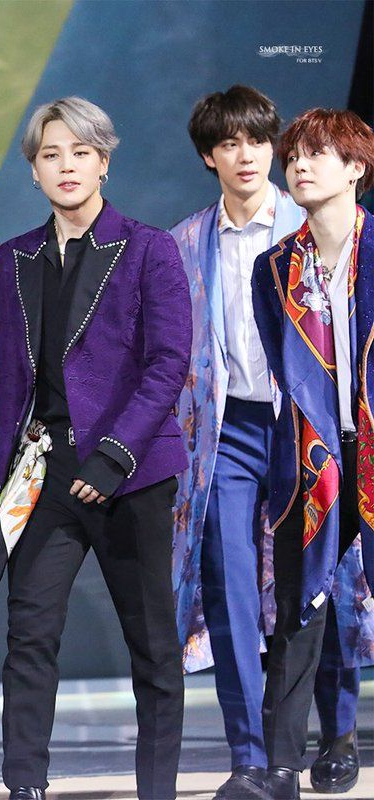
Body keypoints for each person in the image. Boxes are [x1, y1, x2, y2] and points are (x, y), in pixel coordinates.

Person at [169, 86, 372, 800]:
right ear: (209, 156)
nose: (248, 155)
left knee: (331, 583)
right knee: (233, 591)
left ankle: (337, 732)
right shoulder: (188, 242)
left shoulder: (311, 219)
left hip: (316, 430)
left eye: (259, 141)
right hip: (231, 434)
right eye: (229, 143)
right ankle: (253, 757)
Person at [0, 98, 190, 800]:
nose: (66, 166)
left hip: (130, 472)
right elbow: (7, 377)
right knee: (29, 635)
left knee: (152, 645)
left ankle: (156, 791)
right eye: (51, 155)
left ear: (104, 162)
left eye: (80, 152)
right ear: (34, 170)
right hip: (46, 472)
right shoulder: (16, 257)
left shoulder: (147, 248)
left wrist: (114, 455)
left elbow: (168, 363)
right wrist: (2, 486)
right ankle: (24, 787)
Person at [251, 108, 374, 800]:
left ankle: (342, 737)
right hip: (313, 456)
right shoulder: (274, 268)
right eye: (293, 155)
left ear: (355, 168)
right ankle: (279, 768)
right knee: (299, 606)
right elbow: (285, 373)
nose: (298, 165)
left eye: (316, 154)